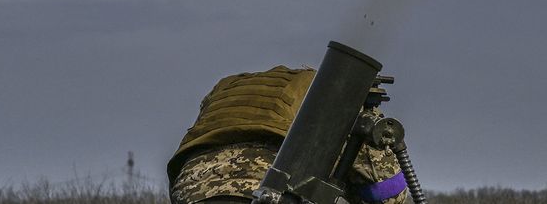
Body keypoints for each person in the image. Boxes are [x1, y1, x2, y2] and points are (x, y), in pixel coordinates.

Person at [168, 66, 409, 204]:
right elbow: (389, 193)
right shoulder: (337, 101)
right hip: (269, 193)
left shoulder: (226, 93)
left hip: (192, 190)